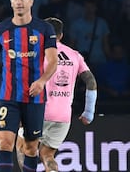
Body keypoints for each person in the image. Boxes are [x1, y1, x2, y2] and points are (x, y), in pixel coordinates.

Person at [0, 0, 58, 172]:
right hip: (8, 96)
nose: (19, 2)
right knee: (5, 143)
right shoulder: (0, 29)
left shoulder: (44, 29)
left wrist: (42, 81)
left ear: (31, 1)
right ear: (11, 2)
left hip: (35, 97)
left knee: (30, 148)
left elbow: (53, 61)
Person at [16, 17, 98, 172]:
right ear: (61, 36)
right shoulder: (75, 55)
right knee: (47, 154)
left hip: (39, 110)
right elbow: (91, 82)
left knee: (22, 147)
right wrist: (89, 112)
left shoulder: (36, 54)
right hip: (63, 116)